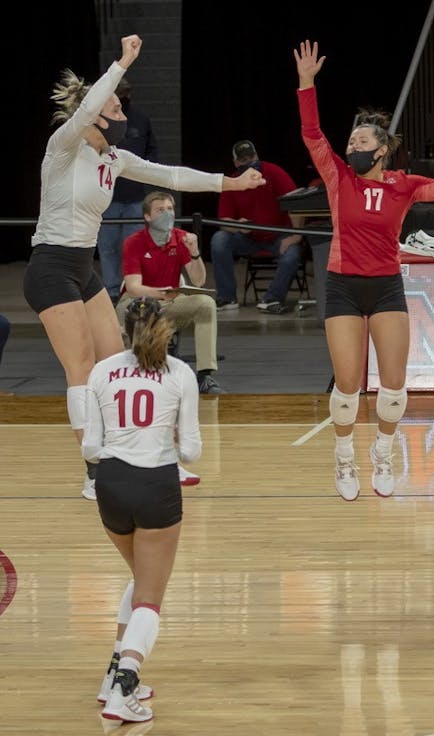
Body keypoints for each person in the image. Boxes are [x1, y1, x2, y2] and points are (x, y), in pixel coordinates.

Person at [22, 34, 264, 501]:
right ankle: (94, 472)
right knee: (82, 367)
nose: (123, 117)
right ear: (93, 114)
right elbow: (91, 103)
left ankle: (139, 456)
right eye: (115, 109)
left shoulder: (114, 159)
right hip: (50, 265)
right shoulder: (64, 145)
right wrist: (123, 62)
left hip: (81, 267)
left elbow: (170, 175)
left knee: (118, 364)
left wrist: (228, 183)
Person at [294, 39, 434, 501]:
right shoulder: (338, 177)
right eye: (351, 139)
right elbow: (313, 135)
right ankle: (343, 458)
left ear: (381, 151)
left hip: (387, 288)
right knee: (349, 385)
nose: (352, 144)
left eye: (361, 140)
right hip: (343, 287)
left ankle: (384, 451)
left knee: (393, 388)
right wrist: (307, 83)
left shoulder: (403, 185)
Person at [83, 297, 201, 722]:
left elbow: (90, 447)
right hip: (156, 486)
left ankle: (110, 675)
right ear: (165, 330)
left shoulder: (101, 370)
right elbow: (191, 450)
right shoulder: (180, 373)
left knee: (140, 579)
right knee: (150, 598)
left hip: (110, 486)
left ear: (123, 328)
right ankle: (123, 689)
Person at [118, 190, 224, 395]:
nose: (166, 214)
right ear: (148, 217)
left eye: (169, 209)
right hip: (138, 299)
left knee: (205, 304)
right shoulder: (134, 242)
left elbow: (199, 280)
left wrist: (194, 252)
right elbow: (133, 287)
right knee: (132, 312)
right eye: (160, 210)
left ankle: (204, 375)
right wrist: (159, 294)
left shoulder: (181, 238)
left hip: (171, 300)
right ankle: (131, 374)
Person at [209, 140, 304, 313]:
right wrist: (238, 225)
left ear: (257, 156)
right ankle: (227, 297)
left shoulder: (274, 172)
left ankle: (272, 299)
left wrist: (295, 235)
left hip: (279, 235)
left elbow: (296, 203)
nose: (249, 163)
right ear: (236, 162)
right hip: (249, 238)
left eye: (251, 157)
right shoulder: (232, 182)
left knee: (292, 253)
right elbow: (224, 220)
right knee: (219, 240)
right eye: (244, 160)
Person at [95, 77, 159, 305]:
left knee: (132, 248)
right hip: (107, 197)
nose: (122, 97)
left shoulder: (140, 119)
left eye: (125, 92)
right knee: (108, 247)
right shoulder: (100, 120)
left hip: (134, 197)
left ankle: (129, 290)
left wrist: (143, 172)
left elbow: (153, 151)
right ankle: (112, 292)